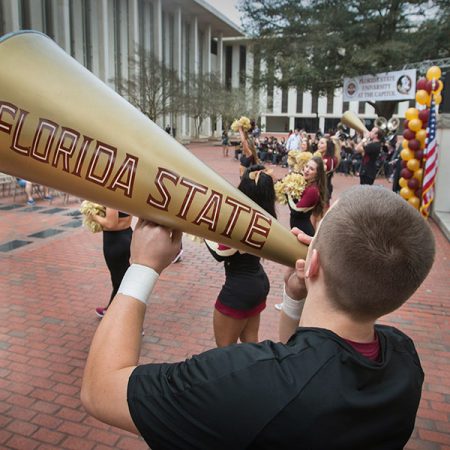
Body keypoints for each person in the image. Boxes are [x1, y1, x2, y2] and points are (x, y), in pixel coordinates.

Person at [81, 186, 435, 450]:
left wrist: (142, 266)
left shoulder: (242, 381)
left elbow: (100, 392)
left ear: (312, 263)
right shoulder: (404, 360)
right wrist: (297, 297)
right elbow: (304, 364)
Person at [205, 165, 276, 347]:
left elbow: (220, 253)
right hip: (257, 282)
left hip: (240, 288)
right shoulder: (267, 215)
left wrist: (201, 230)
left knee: (225, 352)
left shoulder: (244, 221)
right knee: (250, 346)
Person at [87, 208, 133, 318]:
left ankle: (124, 315)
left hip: (115, 241)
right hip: (126, 235)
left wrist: (93, 216)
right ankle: (114, 309)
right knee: (122, 277)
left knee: (119, 281)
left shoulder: (112, 196)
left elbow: (111, 224)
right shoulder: (125, 194)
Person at [288, 156, 327, 236]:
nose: (306, 170)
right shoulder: (306, 183)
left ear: (317, 174)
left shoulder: (313, 190)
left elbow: (296, 211)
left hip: (304, 232)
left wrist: (288, 194)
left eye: (311, 169)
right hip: (298, 230)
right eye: (306, 166)